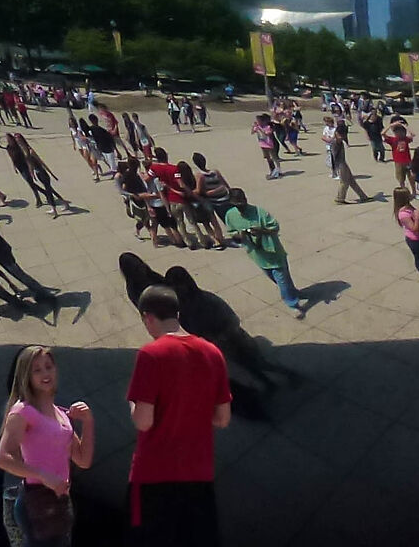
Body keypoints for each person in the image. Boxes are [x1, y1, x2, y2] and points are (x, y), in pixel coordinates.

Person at [125, 286, 230, 547]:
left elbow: (143, 421)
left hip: (153, 474)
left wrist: (133, 403)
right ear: (177, 314)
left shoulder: (151, 354)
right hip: (199, 473)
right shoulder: (213, 353)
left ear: (147, 317)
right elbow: (222, 418)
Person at [0, 347, 94, 547]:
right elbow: (2, 458)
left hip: (60, 501)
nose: (45, 374)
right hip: (36, 499)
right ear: (27, 376)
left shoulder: (62, 415)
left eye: (48, 367)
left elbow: (83, 460)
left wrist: (88, 422)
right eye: (36, 370)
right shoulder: (23, 411)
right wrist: (42, 475)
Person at [218, 191, 309, 316]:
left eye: (242, 202)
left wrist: (262, 231)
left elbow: (275, 227)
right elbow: (232, 233)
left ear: (246, 199)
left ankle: (292, 304)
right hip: (257, 254)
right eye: (237, 204)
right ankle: (293, 292)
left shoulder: (260, 212)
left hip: (273, 253)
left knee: (282, 279)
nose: (241, 206)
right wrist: (240, 235)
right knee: (276, 278)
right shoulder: (230, 215)